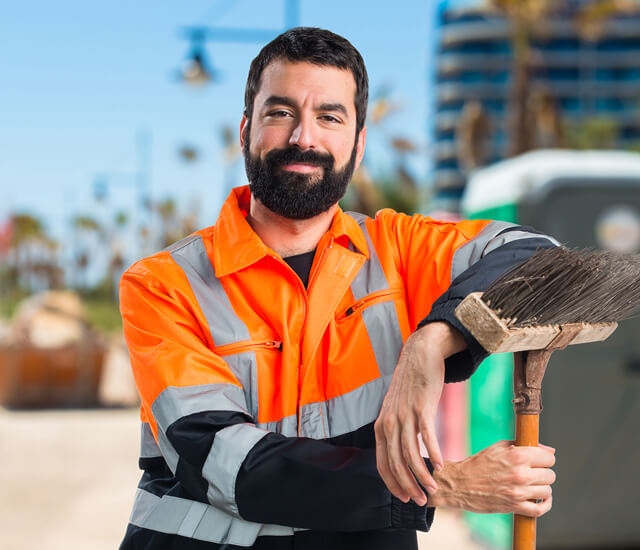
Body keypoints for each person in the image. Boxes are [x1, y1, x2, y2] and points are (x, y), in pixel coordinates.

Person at [119, 27, 558, 550]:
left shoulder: (399, 250)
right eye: (280, 113)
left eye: (330, 117)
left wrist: (433, 341)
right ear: (245, 130)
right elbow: (224, 464)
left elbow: (540, 256)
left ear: (359, 141)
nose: (304, 137)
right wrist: (447, 485)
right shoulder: (165, 285)